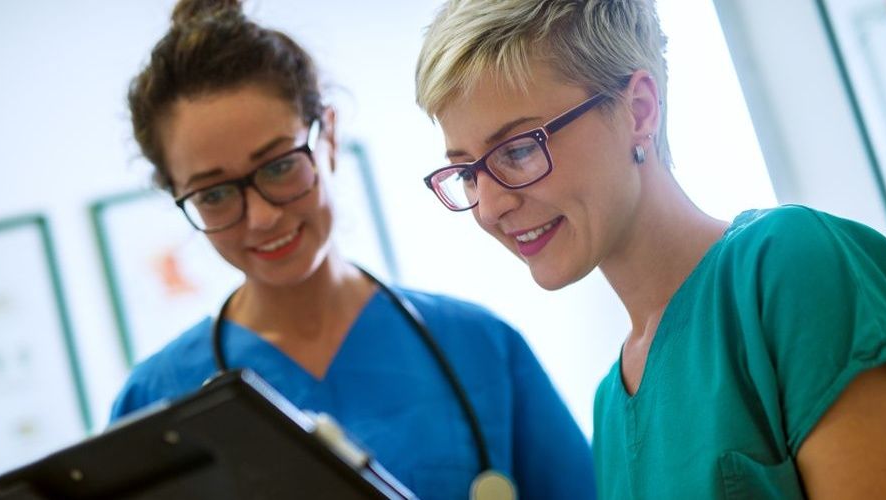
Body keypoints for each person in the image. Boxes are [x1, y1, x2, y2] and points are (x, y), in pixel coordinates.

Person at [414, 0, 886, 498]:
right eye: (466, 173)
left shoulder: (788, 267)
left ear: (640, 111)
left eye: (519, 149)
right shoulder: (612, 401)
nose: (489, 208)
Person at [109, 1, 597, 498]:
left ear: (331, 138)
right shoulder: (155, 401)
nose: (261, 217)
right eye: (214, 195)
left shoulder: (479, 346)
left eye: (279, 166)